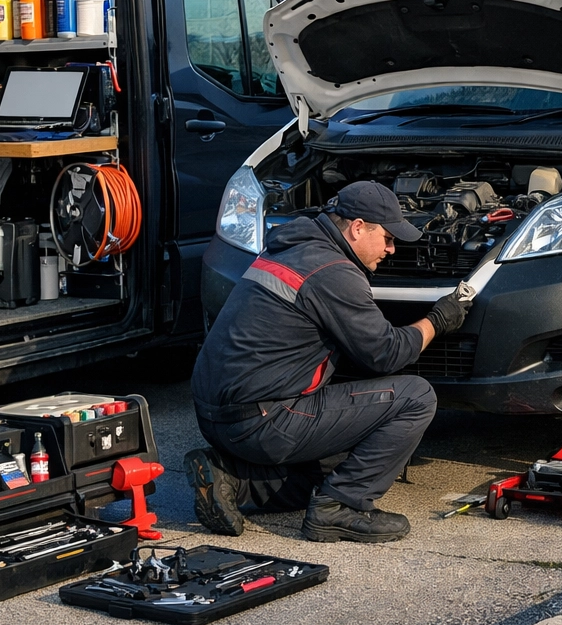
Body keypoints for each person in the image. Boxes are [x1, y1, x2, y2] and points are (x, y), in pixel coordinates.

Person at [185, 181, 473, 543]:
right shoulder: (333, 271)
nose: (391, 248)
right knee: (416, 397)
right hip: (263, 422)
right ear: (357, 227)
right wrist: (438, 320)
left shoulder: (291, 246)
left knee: (339, 465)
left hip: (217, 415)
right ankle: (340, 509)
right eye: (386, 237)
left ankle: (232, 480)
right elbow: (386, 354)